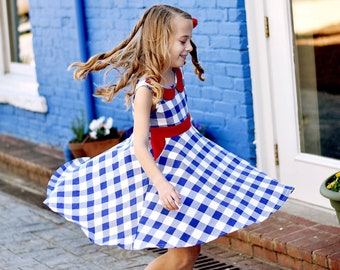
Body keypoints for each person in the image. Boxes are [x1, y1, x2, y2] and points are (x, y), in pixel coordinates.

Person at [44, 5, 294, 270]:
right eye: (183, 41)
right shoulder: (147, 88)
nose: (189, 48)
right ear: (159, 41)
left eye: (189, 40)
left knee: (191, 248)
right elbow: (139, 144)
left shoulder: (175, 72)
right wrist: (161, 184)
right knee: (183, 254)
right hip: (163, 172)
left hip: (187, 162)